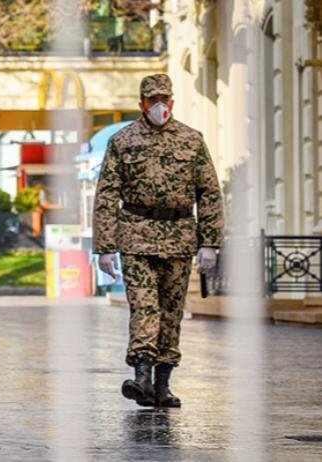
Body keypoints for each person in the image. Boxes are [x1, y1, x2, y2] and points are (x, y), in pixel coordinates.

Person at [92, 74, 224, 408]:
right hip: (136, 235)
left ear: (173, 101)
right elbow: (106, 195)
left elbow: (209, 193)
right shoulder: (122, 141)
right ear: (141, 104)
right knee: (144, 306)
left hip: (179, 236)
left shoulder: (192, 140)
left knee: (171, 311)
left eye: (164, 98)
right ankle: (141, 376)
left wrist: (210, 242)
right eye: (153, 100)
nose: (159, 105)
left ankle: (162, 385)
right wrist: (104, 248)